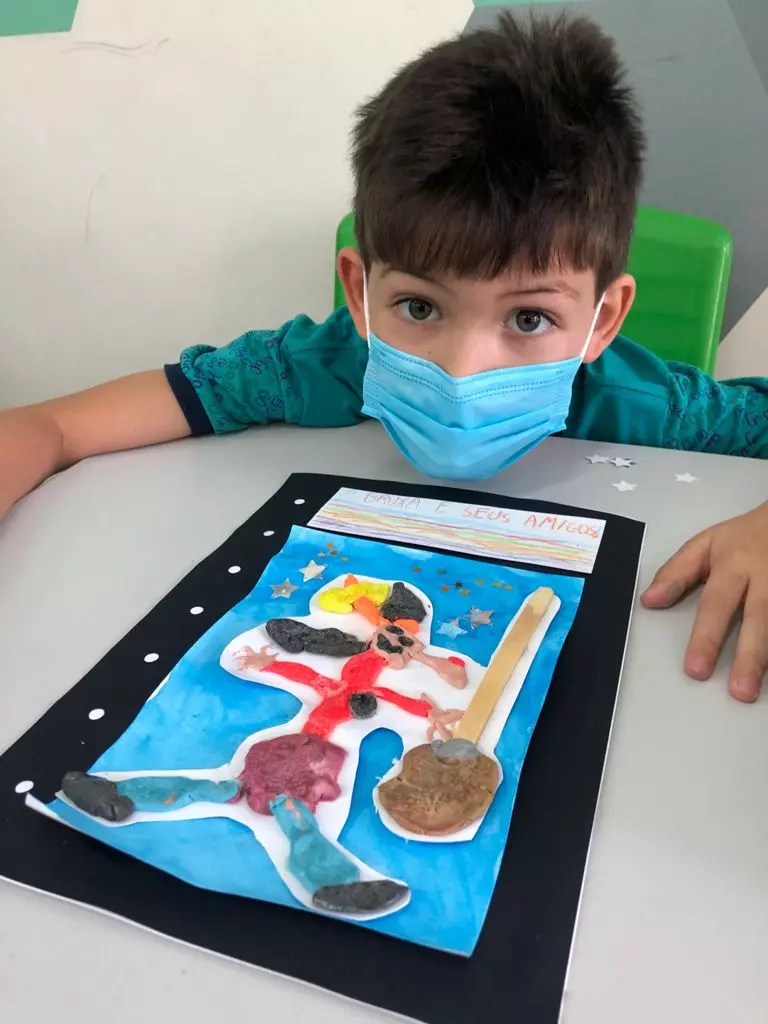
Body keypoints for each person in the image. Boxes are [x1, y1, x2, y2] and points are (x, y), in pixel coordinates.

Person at [1, 13, 766, 701]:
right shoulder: (319, 363)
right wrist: (30, 437)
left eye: (529, 318)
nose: (463, 370)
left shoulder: (653, 406)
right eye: (420, 307)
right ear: (359, 291)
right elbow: (59, 426)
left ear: (605, 320)